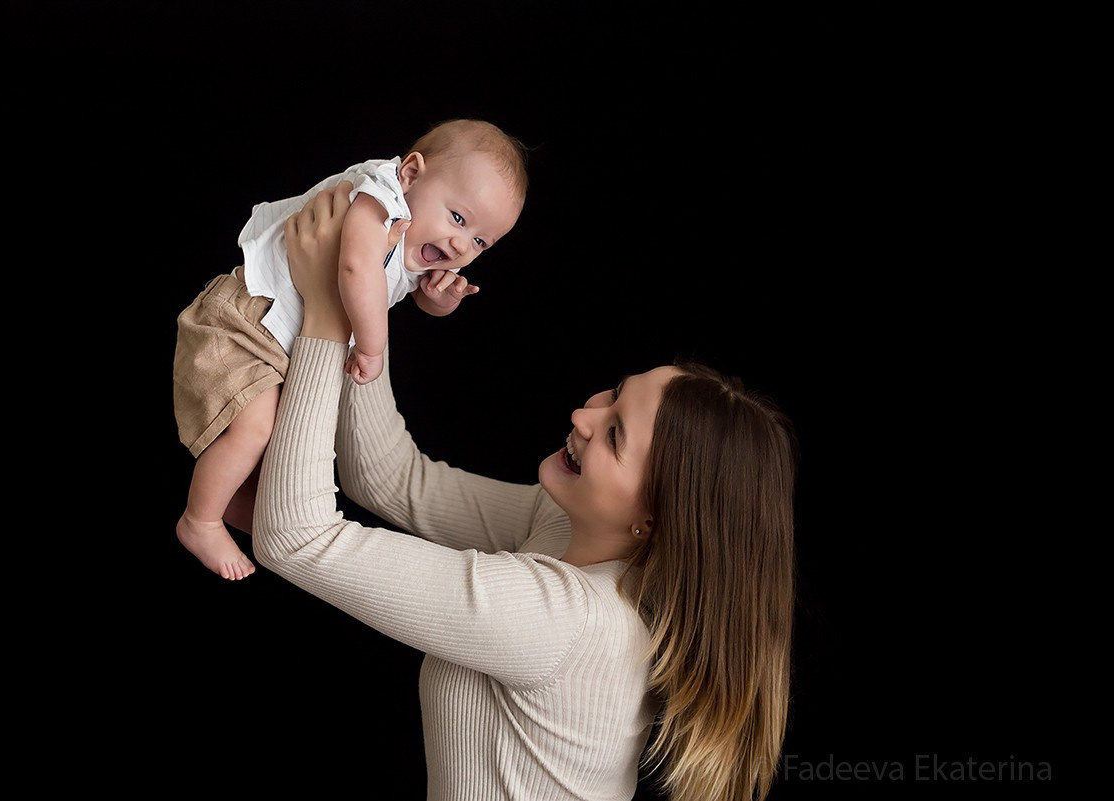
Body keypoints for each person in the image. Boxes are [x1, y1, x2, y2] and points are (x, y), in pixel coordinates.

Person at [248, 183, 799, 801]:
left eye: (614, 435)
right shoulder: (575, 531)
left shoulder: (566, 621)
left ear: (654, 518)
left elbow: (295, 538)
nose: (584, 416)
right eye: (614, 393)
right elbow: (393, 479)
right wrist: (364, 295)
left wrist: (325, 317)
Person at [172, 119, 528, 580]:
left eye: (480, 241)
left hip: (276, 345)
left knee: (277, 446)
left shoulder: (420, 232)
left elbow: (413, 294)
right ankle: (199, 519)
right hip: (243, 324)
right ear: (412, 174)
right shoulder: (378, 196)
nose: (461, 244)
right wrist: (374, 348)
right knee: (257, 427)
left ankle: (236, 502)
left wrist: (439, 300)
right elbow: (357, 266)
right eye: (458, 218)